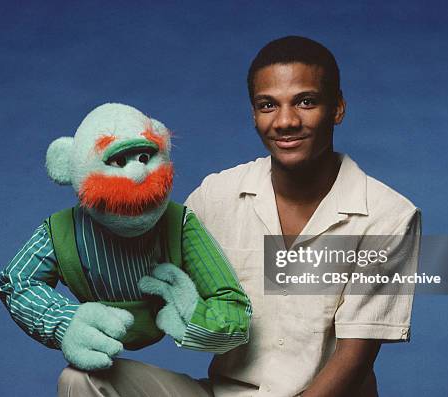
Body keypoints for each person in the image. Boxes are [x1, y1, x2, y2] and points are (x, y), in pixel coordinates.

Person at [58, 36, 421, 397]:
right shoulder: (217, 196)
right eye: (267, 105)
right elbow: (154, 282)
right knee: (82, 380)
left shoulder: (388, 216)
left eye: (305, 102)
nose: (285, 121)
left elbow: (353, 360)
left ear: (337, 108)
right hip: (223, 393)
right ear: (254, 114)